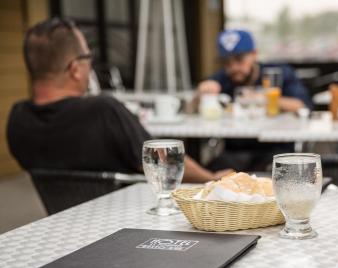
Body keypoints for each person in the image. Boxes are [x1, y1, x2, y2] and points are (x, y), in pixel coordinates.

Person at [7, 17, 230, 183]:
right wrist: (210, 178)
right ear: (75, 69)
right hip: (128, 218)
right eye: (88, 57)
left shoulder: (18, 118)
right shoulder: (102, 110)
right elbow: (161, 160)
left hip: (61, 218)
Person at [197, 29, 313, 112]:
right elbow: (191, 109)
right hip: (234, 144)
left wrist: (265, 99)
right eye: (226, 62)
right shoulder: (222, 78)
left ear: (254, 54)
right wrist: (200, 94)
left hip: (276, 143)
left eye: (239, 59)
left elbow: (303, 106)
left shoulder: (278, 73)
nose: (233, 68)